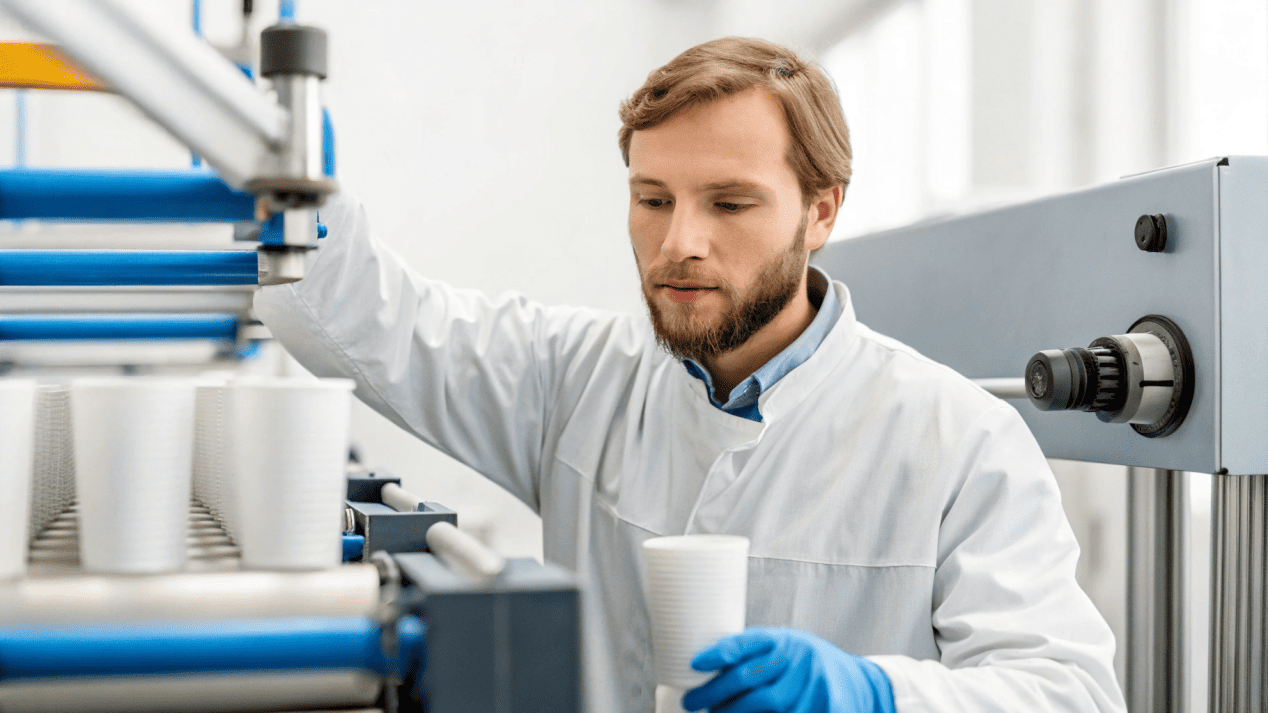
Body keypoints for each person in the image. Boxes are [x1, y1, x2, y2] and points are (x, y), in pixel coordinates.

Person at [256, 37, 1127, 713]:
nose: (679, 244)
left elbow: (1067, 689)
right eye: (653, 198)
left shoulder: (958, 438)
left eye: (730, 203)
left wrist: (873, 693)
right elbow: (372, 323)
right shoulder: (579, 377)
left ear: (821, 210)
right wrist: (289, 181)